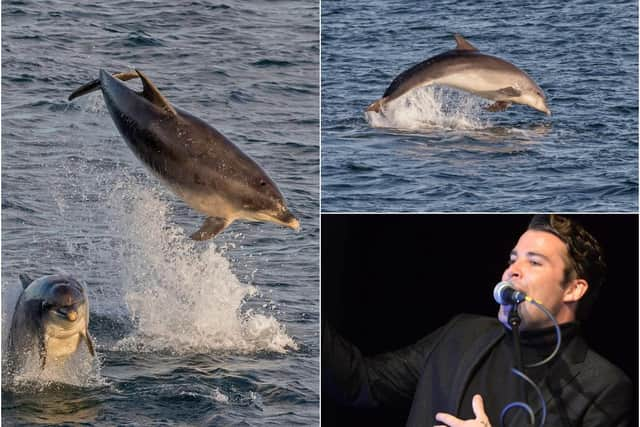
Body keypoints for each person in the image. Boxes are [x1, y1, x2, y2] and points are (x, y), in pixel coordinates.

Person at [323, 215, 632, 426]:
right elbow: (360, 383)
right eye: (513, 260)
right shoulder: (461, 334)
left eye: (534, 262)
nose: (513, 270)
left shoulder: (604, 388)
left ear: (573, 288)